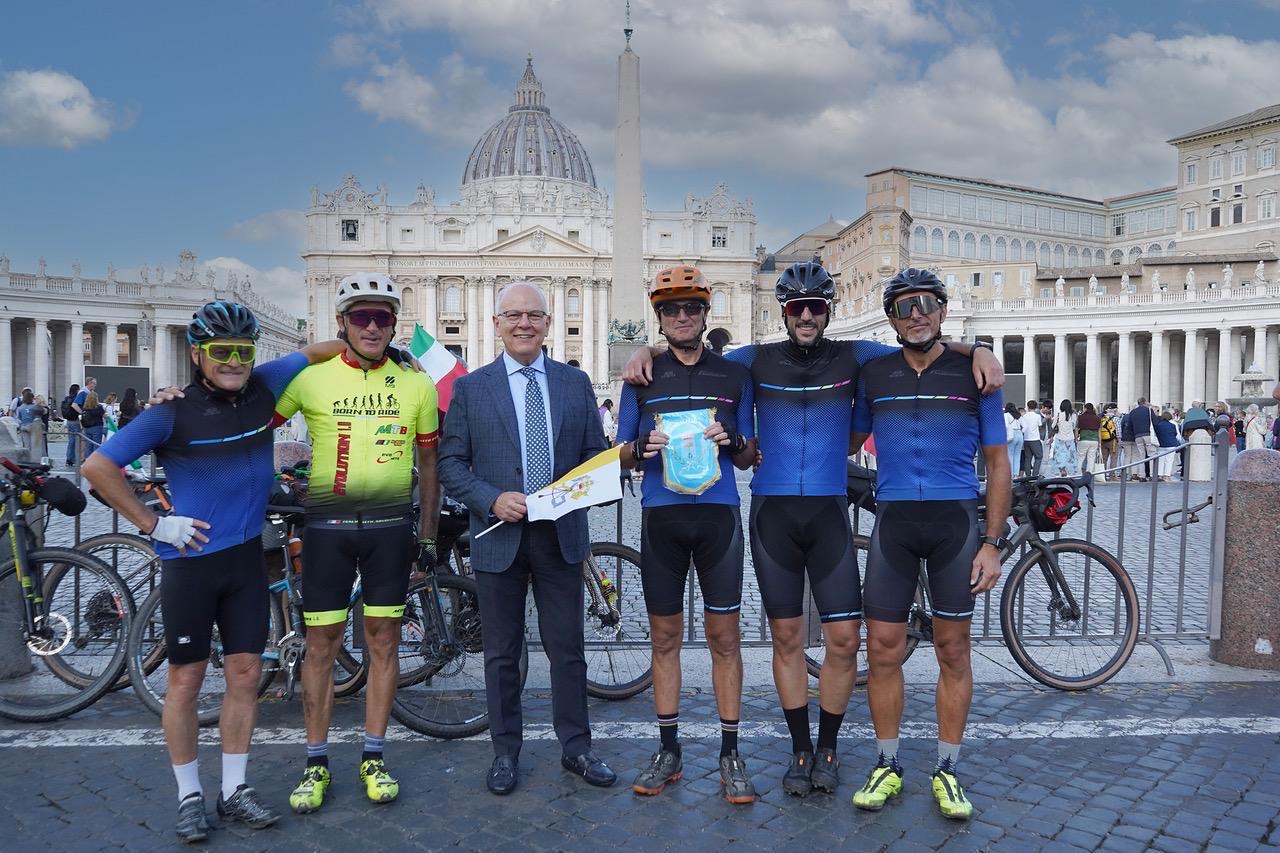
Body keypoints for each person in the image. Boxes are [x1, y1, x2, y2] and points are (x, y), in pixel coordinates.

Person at [624, 263, 1002, 798]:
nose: (805, 315)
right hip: (773, 513)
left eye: (816, 306)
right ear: (783, 312)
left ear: (829, 310)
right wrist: (644, 351)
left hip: (827, 513)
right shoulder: (750, 361)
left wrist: (978, 347)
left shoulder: (857, 356)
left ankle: (829, 747)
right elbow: (691, 357)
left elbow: (919, 343)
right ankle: (800, 749)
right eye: (796, 306)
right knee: (786, 637)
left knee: (845, 640)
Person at [82, 302, 350, 842]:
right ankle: (188, 795)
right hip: (191, 564)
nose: (233, 361)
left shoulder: (266, 385)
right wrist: (153, 524)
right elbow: (96, 467)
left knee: (246, 675)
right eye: (221, 351)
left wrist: (386, 350)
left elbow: (325, 348)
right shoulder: (171, 412)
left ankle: (233, 790)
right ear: (197, 353)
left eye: (243, 351)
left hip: (246, 559)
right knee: (185, 680)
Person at [439, 280, 616, 796]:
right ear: (496, 324)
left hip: (560, 535)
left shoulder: (573, 383)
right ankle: (505, 751)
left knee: (568, 649)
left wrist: (598, 479)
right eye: (513, 315)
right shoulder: (472, 388)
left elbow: (590, 455)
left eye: (534, 315)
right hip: (499, 534)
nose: (524, 324)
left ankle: (577, 748)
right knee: (501, 653)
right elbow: (451, 462)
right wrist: (491, 498)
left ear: (547, 323)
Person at [273, 273, 440, 814]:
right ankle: (315, 762)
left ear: (395, 324)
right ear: (343, 322)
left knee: (383, 643)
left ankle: (373, 754)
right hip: (328, 532)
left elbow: (430, 466)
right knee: (321, 647)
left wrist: (430, 534)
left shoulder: (417, 384)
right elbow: (247, 413)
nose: (373, 327)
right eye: (361, 317)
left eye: (383, 318)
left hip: (391, 531)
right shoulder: (312, 377)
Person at [849, 268, 1010, 821]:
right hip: (895, 522)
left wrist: (991, 542)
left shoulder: (976, 374)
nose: (915, 313)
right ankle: (888, 763)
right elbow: (841, 431)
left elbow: (997, 462)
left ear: (943, 310)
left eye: (925, 304)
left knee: (953, 651)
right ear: (891, 317)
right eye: (903, 306)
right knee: (883, 650)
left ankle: (947, 769)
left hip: (956, 525)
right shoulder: (874, 372)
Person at [616, 266, 758, 803]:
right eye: (672, 309)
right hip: (664, 519)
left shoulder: (733, 377)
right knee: (665, 639)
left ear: (705, 314)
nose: (682, 317)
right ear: (660, 317)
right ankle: (668, 749)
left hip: (718, 518)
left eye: (692, 308)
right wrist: (640, 447)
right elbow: (621, 451)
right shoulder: (642, 374)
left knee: (725, 639)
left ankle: (730, 751)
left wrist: (735, 436)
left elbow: (747, 458)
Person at [1048, 399, 1078, 477]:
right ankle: (1068, 471)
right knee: (1069, 455)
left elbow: (1052, 426)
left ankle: (1061, 470)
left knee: (1059, 455)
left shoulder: (1058, 414)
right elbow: (1074, 427)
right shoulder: (1073, 415)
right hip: (1070, 438)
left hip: (1060, 437)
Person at [1128, 397, 1155, 481]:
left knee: (1141, 456)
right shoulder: (1149, 411)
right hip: (1148, 434)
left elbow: (1129, 425)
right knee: (1152, 454)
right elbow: (1155, 422)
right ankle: (1152, 474)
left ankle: (1142, 475)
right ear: (1145, 402)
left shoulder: (1132, 412)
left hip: (1137, 435)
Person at [14, 390, 46, 455]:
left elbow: (19, 418)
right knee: (35, 445)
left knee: (26, 446)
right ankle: (35, 459)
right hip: (33, 427)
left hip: (24, 426)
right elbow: (37, 418)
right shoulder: (34, 407)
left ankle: (27, 459)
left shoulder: (20, 408)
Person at [1018, 400, 1043, 477]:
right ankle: (1035, 474)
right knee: (1038, 457)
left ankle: (1028, 475)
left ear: (1028, 407)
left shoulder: (1023, 416)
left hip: (1026, 439)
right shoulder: (1037, 416)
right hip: (1035, 439)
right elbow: (1040, 426)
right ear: (1036, 407)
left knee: (1028, 458)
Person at [1153, 410, 1180, 480]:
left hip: (1161, 444)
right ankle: (1167, 475)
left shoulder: (1158, 425)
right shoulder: (1173, 425)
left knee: (1161, 460)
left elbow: (1157, 434)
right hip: (1171, 444)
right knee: (1169, 461)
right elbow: (1175, 434)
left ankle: (1160, 474)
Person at [1076, 402, 1101, 476]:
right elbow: (1099, 431)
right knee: (1091, 458)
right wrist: (1099, 442)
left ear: (1085, 408)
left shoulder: (1080, 417)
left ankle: (1078, 474)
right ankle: (1089, 474)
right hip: (1094, 440)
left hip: (1083, 439)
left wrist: (1076, 438)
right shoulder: (1097, 418)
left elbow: (1077, 429)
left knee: (1080, 457)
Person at [60, 383, 81, 467]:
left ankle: (69, 458)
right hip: (75, 420)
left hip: (68, 421)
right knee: (76, 441)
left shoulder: (66, 398)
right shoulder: (76, 399)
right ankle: (74, 459)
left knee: (71, 441)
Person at [1098, 404, 1120, 481]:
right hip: (1113, 441)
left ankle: (1103, 475)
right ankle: (1112, 475)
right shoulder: (1115, 418)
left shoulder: (1101, 417)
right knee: (1114, 458)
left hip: (1103, 440)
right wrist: (1119, 440)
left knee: (1104, 458)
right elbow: (1118, 430)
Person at [1003, 402, 1023, 475]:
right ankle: (1016, 474)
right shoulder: (1018, 415)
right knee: (1018, 455)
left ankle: (1010, 474)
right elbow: (1025, 426)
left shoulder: (1006, 415)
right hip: (1020, 434)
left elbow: (1006, 426)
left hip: (1012, 434)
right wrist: (1021, 431)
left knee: (1010, 454)